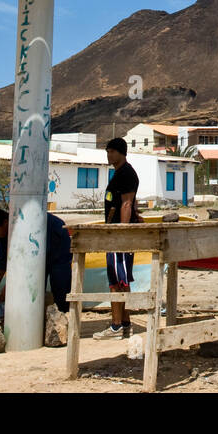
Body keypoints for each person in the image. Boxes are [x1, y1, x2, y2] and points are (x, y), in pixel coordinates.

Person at [94, 137, 140, 340]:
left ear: (121, 153)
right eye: (107, 152)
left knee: (116, 279)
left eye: (112, 151)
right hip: (116, 233)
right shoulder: (119, 173)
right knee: (122, 279)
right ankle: (125, 322)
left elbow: (127, 204)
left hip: (118, 236)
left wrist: (122, 233)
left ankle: (115, 326)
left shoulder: (127, 173)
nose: (109, 155)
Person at [0, 208, 73, 313]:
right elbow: (2, 260)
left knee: (60, 283)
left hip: (56, 241)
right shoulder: (1, 234)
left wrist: (8, 289)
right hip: (36, 251)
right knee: (34, 290)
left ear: (5, 223)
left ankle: (64, 314)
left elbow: (24, 264)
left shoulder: (23, 227)